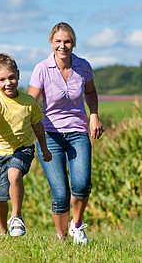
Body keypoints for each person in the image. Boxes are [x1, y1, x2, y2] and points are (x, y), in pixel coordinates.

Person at [28, 22, 104, 244]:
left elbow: (90, 92)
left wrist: (94, 115)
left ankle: (77, 226)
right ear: (51, 43)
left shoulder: (83, 67)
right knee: (60, 194)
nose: (63, 46)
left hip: (77, 132)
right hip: (49, 136)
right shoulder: (41, 69)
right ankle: (62, 239)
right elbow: (32, 102)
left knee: (81, 184)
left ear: (73, 43)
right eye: (58, 41)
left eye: (67, 41)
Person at [0, 53, 52, 237]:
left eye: (11, 77)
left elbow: (38, 126)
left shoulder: (28, 102)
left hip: (24, 148)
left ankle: (16, 216)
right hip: (0, 154)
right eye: (2, 79)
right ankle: (3, 232)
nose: (8, 83)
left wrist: (44, 148)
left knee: (14, 174)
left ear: (18, 75)